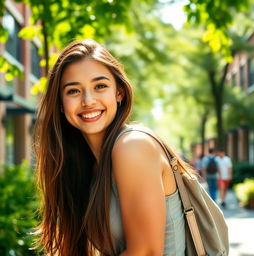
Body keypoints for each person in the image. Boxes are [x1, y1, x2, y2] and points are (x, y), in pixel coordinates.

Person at [33, 39, 193, 256]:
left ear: (119, 93)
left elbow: (146, 253)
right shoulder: (88, 165)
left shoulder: (132, 147)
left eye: (100, 86)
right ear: (61, 104)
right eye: (73, 91)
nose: (88, 100)